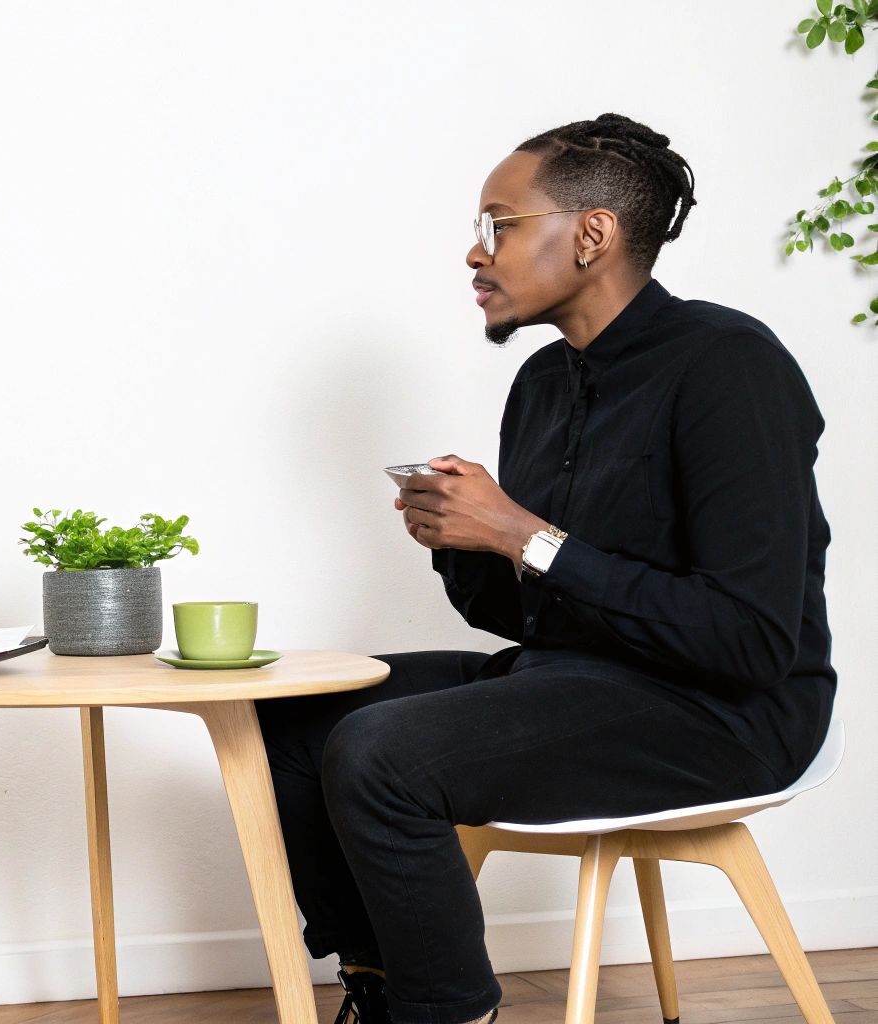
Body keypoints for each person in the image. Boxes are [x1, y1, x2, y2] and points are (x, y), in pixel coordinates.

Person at [256, 114, 834, 1024]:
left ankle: (446, 1010)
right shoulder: (540, 386)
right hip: (573, 681)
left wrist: (525, 534)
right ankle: (378, 984)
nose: (474, 255)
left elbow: (752, 639)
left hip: (724, 710)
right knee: (291, 720)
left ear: (593, 234)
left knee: (381, 754)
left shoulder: (730, 367)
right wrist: (465, 541)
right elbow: (534, 619)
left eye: (499, 224)